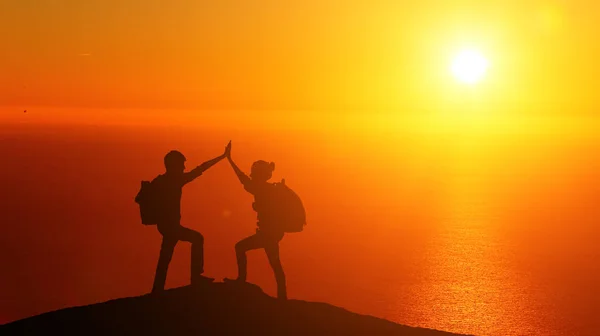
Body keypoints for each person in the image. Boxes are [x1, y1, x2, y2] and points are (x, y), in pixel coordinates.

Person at [151, 141, 231, 294]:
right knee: (196, 239)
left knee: (166, 256)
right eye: (181, 165)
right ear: (173, 165)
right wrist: (222, 157)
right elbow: (200, 169)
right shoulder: (174, 181)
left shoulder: (161, 180)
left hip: (166, 226)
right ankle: (195, 278)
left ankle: (157, 288)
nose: (184, 168)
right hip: (171, 226)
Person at [225, 144, 287, 300]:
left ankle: (242, 280)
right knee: (275, 265)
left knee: (240, 248)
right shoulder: (270, 189)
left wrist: (230, 160)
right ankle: (282, 297)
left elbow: (243, 179)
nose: (252, 175)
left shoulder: (260, 189)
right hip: (272, 233)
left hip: (268, 234)